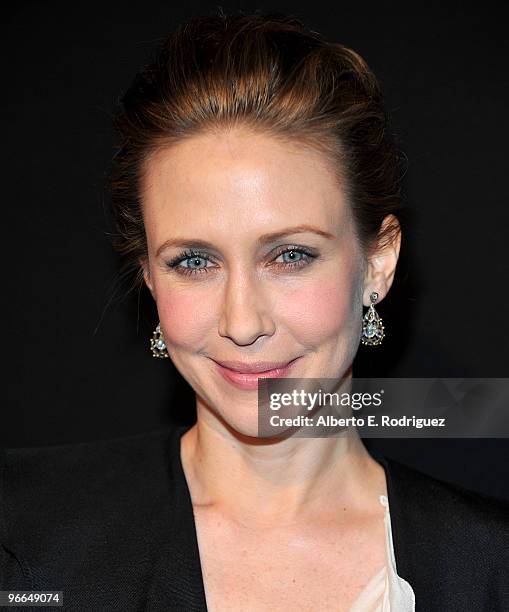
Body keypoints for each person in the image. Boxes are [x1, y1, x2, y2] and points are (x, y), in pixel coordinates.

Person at [1, 11, 508, 612]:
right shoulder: (21, 525)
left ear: (378, 261)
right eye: (193, 262)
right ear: (147, 277)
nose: (242, 323)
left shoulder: (490, 569)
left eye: (290, 255)